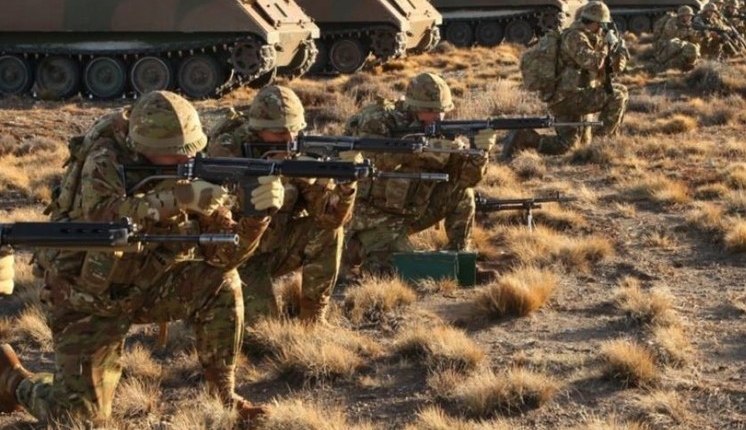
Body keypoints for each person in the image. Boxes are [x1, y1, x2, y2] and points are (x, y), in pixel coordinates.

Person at [0, 91, 282, 424]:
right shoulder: (105, 159)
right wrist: (176, 199)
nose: (184, 163)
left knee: (223, 282)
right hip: (86, 297)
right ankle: (13, 380)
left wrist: (256, 218)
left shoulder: (192, 165)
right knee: (79, 419)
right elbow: (101, 216)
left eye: (188, 152)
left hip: (149, 285)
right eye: (172, 155)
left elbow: (223, 257)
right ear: (142, 148)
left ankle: (223, 395)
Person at [207, 85, 357, 323]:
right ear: (257, 130)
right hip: (237, 257)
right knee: (264, 331)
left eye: (294, 132)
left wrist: (345, 188)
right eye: (279, 134)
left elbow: (329, 219)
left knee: (329, 232)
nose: (289, 141)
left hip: (276, 246)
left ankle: (313, 319)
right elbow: (216, 212)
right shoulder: (227, 150)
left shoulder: (296, 151)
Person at [342, 73, 496, 277]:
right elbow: (377, 162)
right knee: (399, 270)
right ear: (413, 106)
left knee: (463, 194)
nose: (438, 117)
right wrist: (421, 151)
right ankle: (354, 251)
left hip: (413, 210)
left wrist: (480, 153)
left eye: (442, 111)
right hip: (374, 216)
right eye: (431, 111)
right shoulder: (377, 120)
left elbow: (468, 179)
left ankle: (461, 262)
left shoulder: (439, 131)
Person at [503, 1, 630, 157]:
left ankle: (527, 138)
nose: (604, 29)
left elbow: (612, 69)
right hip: (566, 98)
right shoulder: (574, 37)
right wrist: (607, 46)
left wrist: (619, 50)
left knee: (569, 146)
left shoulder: (592, 38)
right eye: (603, 25)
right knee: (617, 95)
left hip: (576, 95)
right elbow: (593, 62)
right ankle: (602, 147)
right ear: (596, 23)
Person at [653, 5, 702, 71]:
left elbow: (695, 39)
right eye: (687, 15)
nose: (689, 18)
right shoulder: (672, 22)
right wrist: (688, 32)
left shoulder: (689, 24)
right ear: (681, 16)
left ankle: (688, 64)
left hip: (679, 47)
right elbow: (672, 35)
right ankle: (660, 64)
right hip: (666, 47)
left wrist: (699, 35)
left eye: (690, 16)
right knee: (677, 44)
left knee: (695, 47)